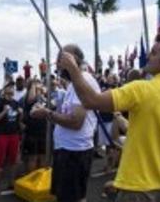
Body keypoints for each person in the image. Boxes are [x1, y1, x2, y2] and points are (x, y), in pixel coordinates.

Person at [58, 34, 160, 202]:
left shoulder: (142, 89)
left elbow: (91, 101)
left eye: (154, 53)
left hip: (137, 190)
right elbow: (151, 134)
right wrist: (120, 182)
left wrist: (73, 70)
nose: (148, 56)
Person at [39, 44, 99, 202]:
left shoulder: (84, 81)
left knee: (71, 197)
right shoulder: (74, 83)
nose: (58, 64)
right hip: (67, 149)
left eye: (62, 59)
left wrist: (47, 113)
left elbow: (75, 122)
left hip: (74, 152)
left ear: (74, 60)